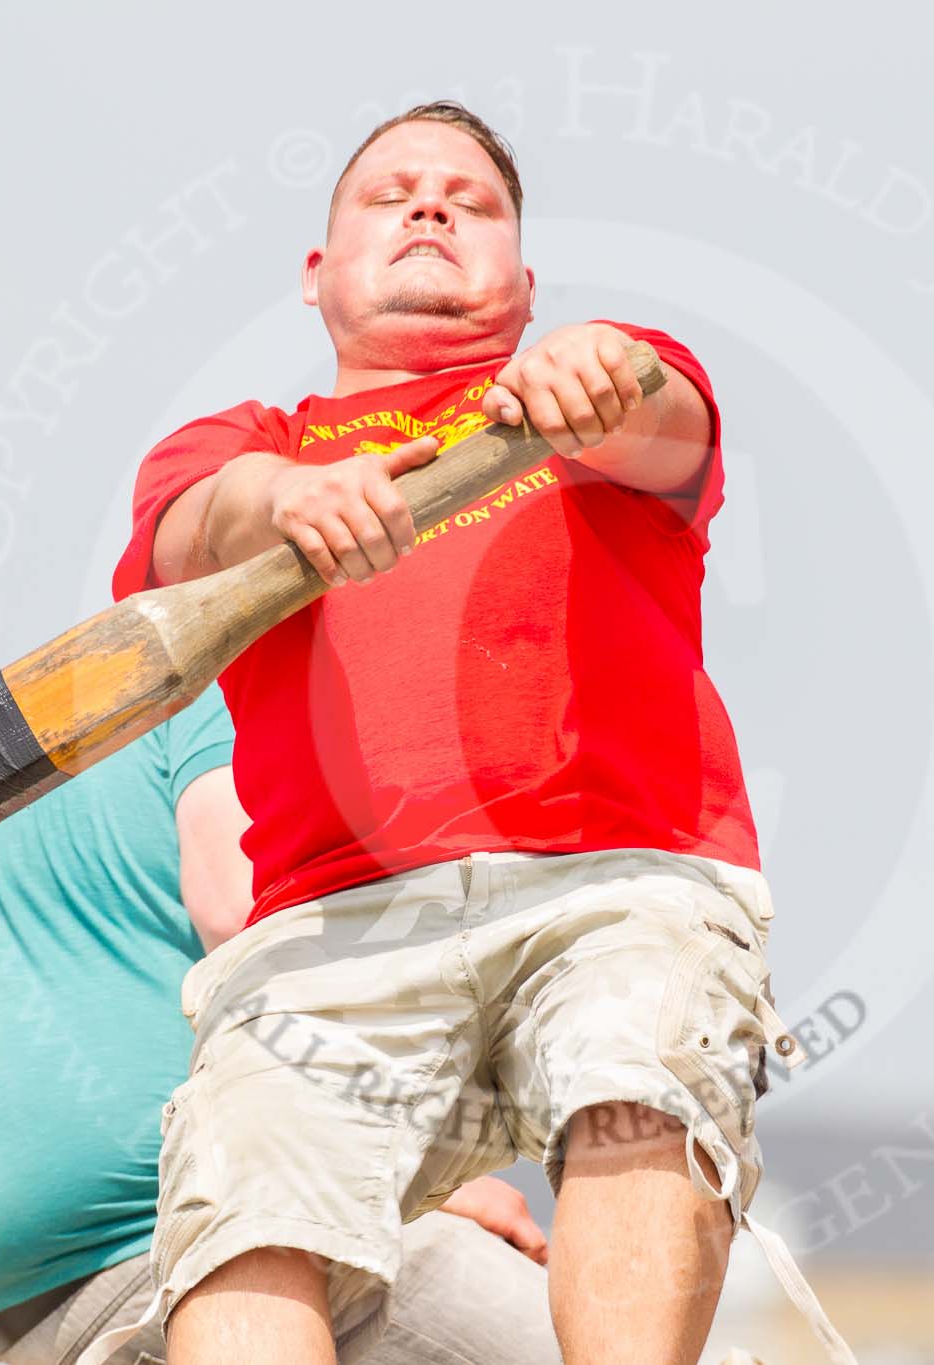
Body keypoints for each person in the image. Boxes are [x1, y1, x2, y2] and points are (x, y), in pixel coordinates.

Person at [107, 102, 848, 1365]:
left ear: (523, 279)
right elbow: (191, 537)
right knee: (246, 1178)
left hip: (615, 880)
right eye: (389, 193)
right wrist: (284, 499)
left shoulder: (595, 396)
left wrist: (605, 365)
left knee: (639, 1059)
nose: (431, 208)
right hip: (333, 924)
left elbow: (662, 414)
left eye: (472, 199)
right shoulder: (248, 447)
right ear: (316, 274)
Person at [0, 686, 563, 1364]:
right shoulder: (232, 685)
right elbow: (244, 908)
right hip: (158, 1217)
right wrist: (426, 1177)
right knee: (582, 1339)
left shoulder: (56, 751)